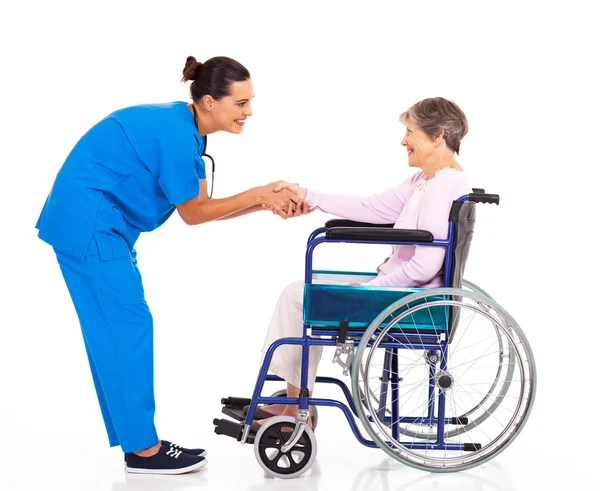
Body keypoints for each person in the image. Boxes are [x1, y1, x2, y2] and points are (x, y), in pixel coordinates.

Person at [35, 55, 307, 475]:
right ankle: (144, 451)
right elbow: (195, 213)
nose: (249, 111)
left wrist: (263, 202)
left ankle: (137, 444)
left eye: (251, 101)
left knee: (116, 330)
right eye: (241, 103)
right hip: (90, 225)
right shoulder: (175, 135)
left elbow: (200, 208)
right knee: (126, 328)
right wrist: (258, 193)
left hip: (99, 226)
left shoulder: (188, 131)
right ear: (210, 101)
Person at [253, 97, 471, 430]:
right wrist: (310, 195)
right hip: (400, 295)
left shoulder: (444, 185)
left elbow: (426, 266)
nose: (403, 141)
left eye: (410, 132)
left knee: (299, 299)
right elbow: (371, 207)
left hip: (407, 303)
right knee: (298, 293)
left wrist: (370, 290)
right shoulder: (425, 181)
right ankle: (296, 399)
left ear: (437, 135)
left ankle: (296, 406)